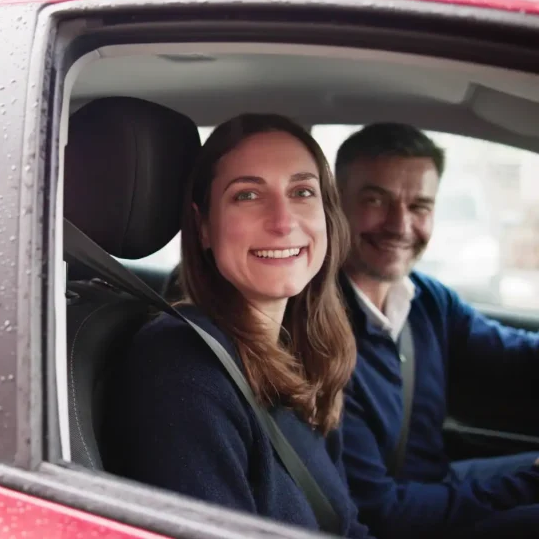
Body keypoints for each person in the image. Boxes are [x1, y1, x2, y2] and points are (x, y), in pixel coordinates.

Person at [105, 113, 371, 537]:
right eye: (247, 195)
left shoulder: (302, 351)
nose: (283, 221)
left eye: (302, 191)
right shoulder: (182, 371)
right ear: (204, 227)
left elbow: (347, 526)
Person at [335, 123, 539, 538]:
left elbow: (515, 357)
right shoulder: (316, 333)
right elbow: (381, 512)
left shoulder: (428, 300)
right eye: (376, 200)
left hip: (436, 486)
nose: (400, 225)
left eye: (420, 207)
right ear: (335, 204)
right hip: (401, 519)